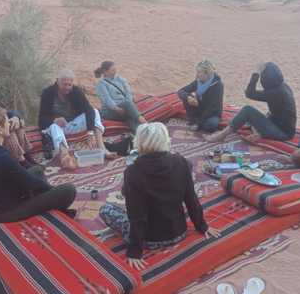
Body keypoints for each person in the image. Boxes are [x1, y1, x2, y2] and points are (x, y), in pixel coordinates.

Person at [119, 123, 220, 270]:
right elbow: (191, 199)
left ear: (139, 142)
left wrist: (135, 251)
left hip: (151, 240)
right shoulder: (181, 162)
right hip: (179, 232)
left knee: (107, 210)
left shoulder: (133, 172)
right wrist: (202, 226)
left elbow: (137, 216)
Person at [0, 105, 76, 223]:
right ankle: (53, 205)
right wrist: (52, 192)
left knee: (37, 170)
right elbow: (31, 183)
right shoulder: (1, 157)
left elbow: (17, 176)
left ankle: (44, 199)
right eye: (7, 122)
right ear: (0, 129)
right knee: (69, 190)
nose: (9, 124)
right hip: (5, 211)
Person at [204, 62, 296, 143]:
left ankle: (221, 136)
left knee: (247, 110)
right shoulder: (282, 87)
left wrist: (256, 74)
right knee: (249, 118)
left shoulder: (276, 93)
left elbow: (249, 93)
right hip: (277, 123)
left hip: (283, 133)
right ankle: (258, 133)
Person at [38, 68, 115, 160]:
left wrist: (90, 132)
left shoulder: (76, 91)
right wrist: (54, 120)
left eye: (69, 85)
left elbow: (89, 110)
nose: (67, 87)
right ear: (58, 82)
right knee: (54, 126)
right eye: (64, 84)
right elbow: (41, 118)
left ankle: (102, 147)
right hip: (58, 128)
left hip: (73, 124)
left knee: (95, 111)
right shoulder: (48, 93)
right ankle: (65, 155)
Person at [94, 60, 146, 130]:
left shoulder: (120, 79)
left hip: (125, 106)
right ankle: (144, 123)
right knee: (130, 111)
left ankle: (137, 132)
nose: (115, 71)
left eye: (115, 69)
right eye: (112, 70)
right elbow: (107, 100)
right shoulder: (101, 84)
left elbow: (128, 93)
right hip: (110, 111)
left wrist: (127, 105)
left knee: (129, 113)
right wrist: (117, 108)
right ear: (105, 72)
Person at [177, 60, 224, 133]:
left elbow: (212, 108)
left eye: (199, 72)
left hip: (211, 113)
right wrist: (188, 97)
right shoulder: (198, 81)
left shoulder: (218, 85)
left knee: (211, 125)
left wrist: (198, 123)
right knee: (187, 97)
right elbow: (180, 91)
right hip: (199, 109)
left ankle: (197, 122)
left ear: (207, 73)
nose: (197, 75)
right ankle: (194, 121)